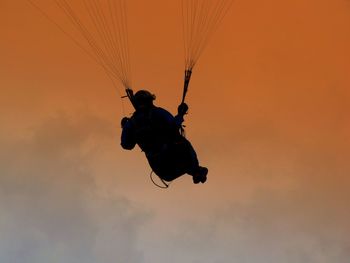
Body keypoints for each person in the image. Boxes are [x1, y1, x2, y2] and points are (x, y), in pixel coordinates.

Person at [121, 90, 208, 184]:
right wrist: (181, 114)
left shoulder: (131, 123)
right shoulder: (158, 112)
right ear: (150, 101)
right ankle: (196, 171)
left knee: (182, 160)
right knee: (183, 143)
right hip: (174, 155)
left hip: (163, 170)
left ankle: (195, 172)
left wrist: (125, 127)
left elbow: (127, 145)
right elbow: (174, 126)